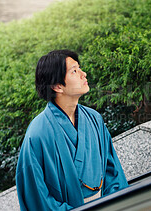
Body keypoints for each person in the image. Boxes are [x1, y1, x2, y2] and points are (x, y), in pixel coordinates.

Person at [16, 50, 128, 210]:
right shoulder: (37, 135)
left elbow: (113, 172)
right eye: (74, 71)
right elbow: (38, 198)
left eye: (79, 68)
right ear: (57, 86)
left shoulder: (94, 119)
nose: (84, 74)